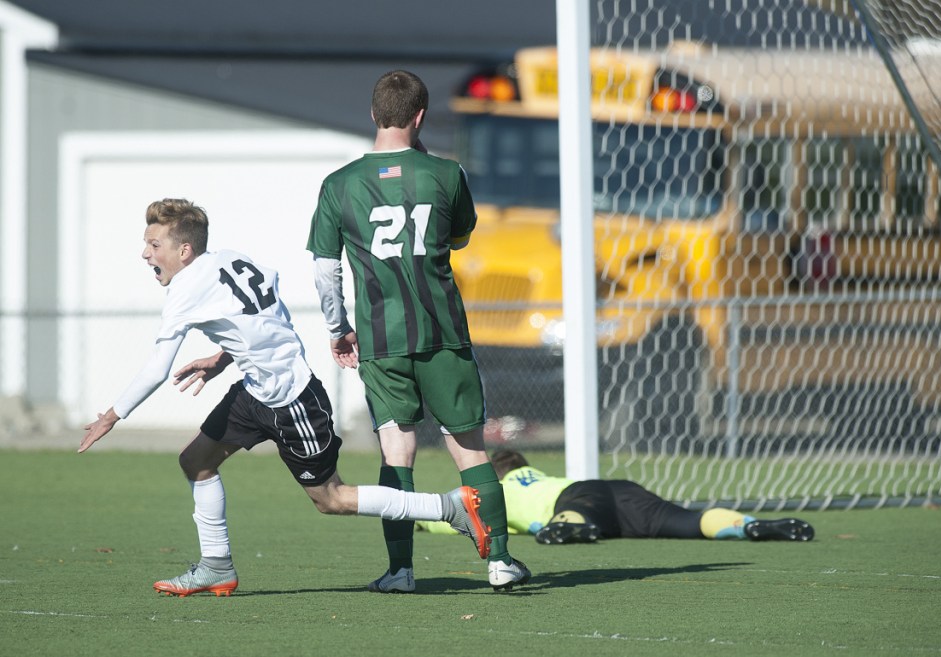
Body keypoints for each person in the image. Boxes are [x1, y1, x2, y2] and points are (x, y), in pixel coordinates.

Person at [79, 198, 491, 597]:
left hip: (293, 402)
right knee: (196, 461)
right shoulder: (230, 259)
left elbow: (157, 367)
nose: (145, 254)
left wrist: (112, 416)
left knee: (331, 499)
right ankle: (216, 566)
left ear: (184, 250)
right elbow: (268, 316)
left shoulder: (186, 287)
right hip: (255, 393)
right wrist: (225, 358)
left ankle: (447, 507)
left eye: (154, 245)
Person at [306, 70, 529, 593]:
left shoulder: (339, 184)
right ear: (421, 116)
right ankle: (498, 560)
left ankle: (401, 572)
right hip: (443, 334)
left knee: (396, 453)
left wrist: (339, 327)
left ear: (372, 114)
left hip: (380, 340)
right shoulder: (448, 173)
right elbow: (461, 236)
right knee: (469, 450)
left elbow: (324, 269)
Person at [419, 450, 814, 544]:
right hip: (616, 489)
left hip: (579, 500)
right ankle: (748, 525)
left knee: (574, 515)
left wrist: (417, 519)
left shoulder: (497, 493)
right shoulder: (537, 476)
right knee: (685, 521)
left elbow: (455, 520)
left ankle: (574, 528)